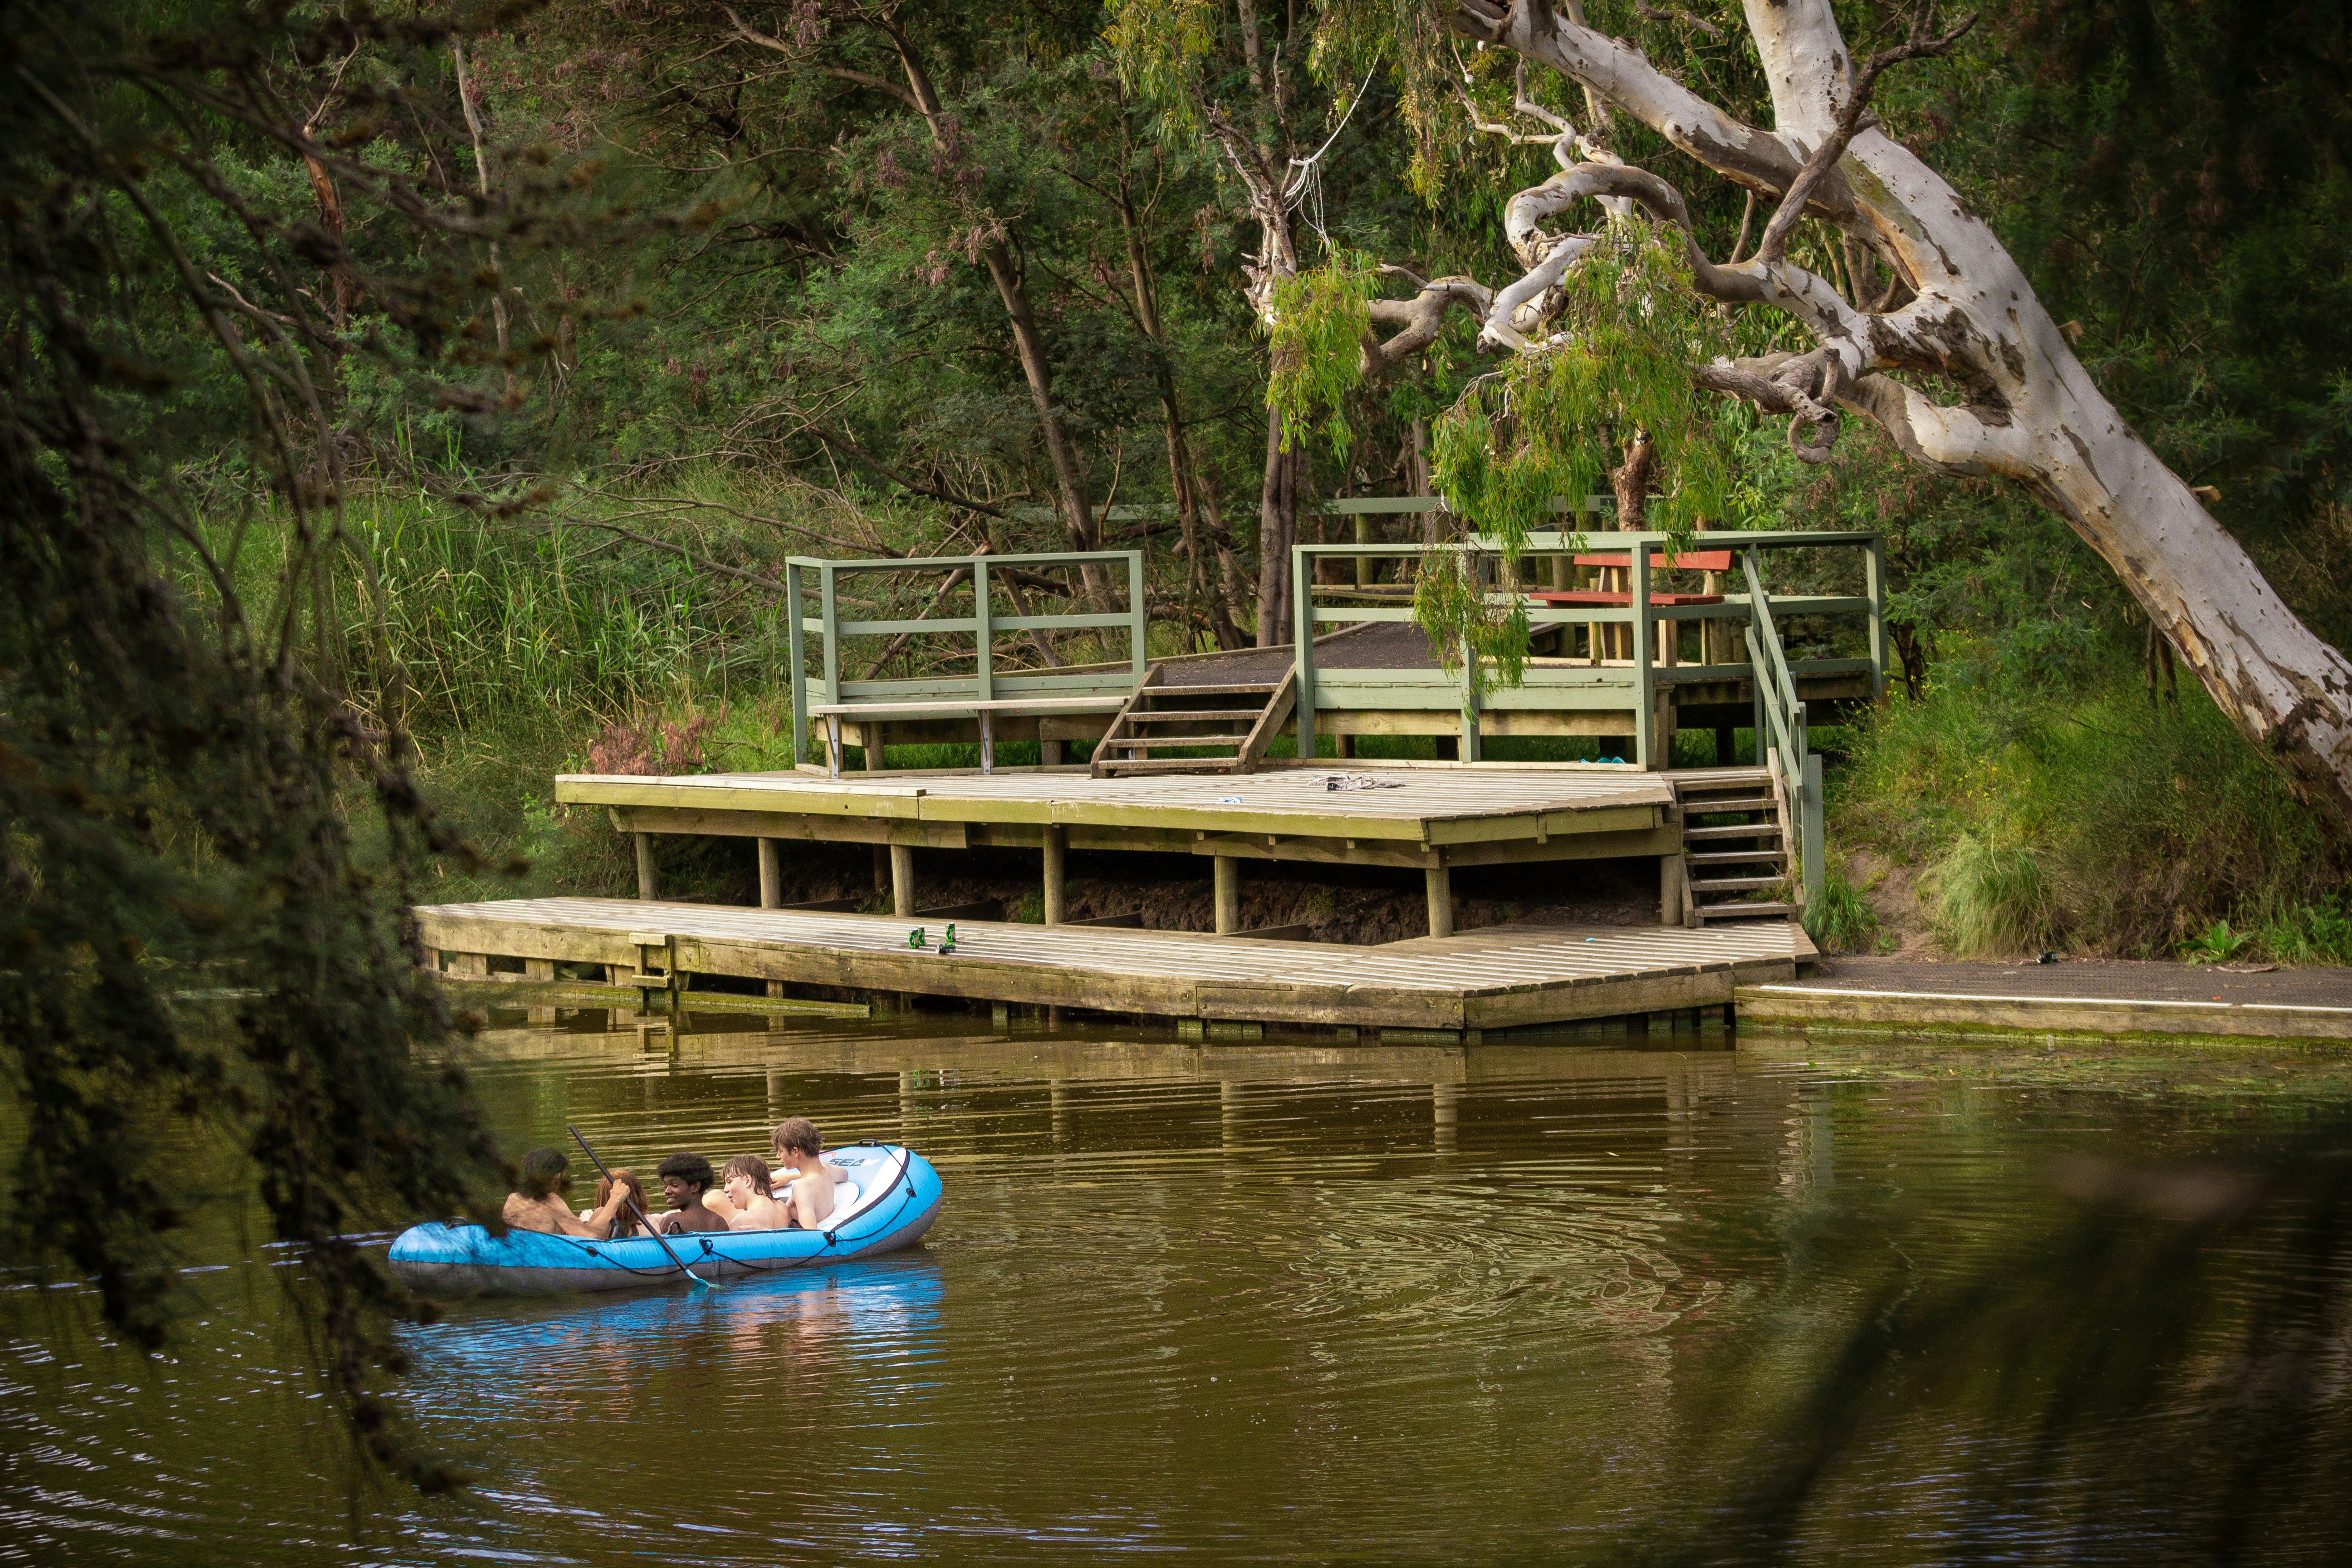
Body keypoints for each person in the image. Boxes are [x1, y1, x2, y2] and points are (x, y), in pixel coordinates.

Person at [504, 1147, 630, 1237]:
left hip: (519, 1257)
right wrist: (615, 1199)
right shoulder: (551, 1202)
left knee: (600, 1212)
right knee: (604, 1215)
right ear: (557, 1176)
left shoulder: (513, 1199)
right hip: (545, 1260)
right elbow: (591, 1236)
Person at [771, 1117, 849, 1230]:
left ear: (796, 1151)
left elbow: (810, 1233)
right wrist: (790, 1177)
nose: (778, 1156)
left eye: (781, 1151)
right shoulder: (826, 1169)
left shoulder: (801, 1187)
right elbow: (845, 1175)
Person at [648, 1151, 732, 1235]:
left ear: (695, 1187)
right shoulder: (720, 1222)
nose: (667, 1191)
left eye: (675, 1185)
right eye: (666, 1186)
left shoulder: (673, 1221)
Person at [716, 1154, 792, 1230]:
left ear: (748, 1180)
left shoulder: (741, 1222)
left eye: (729, 1182)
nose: (725, 1190)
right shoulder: (785, 1209)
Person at [580, 1167, 652, 1239]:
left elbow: (587, 1241)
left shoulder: (600, 1214)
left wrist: (587, 1223)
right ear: (640, 1196)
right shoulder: (651, 1222)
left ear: (602, 1198)